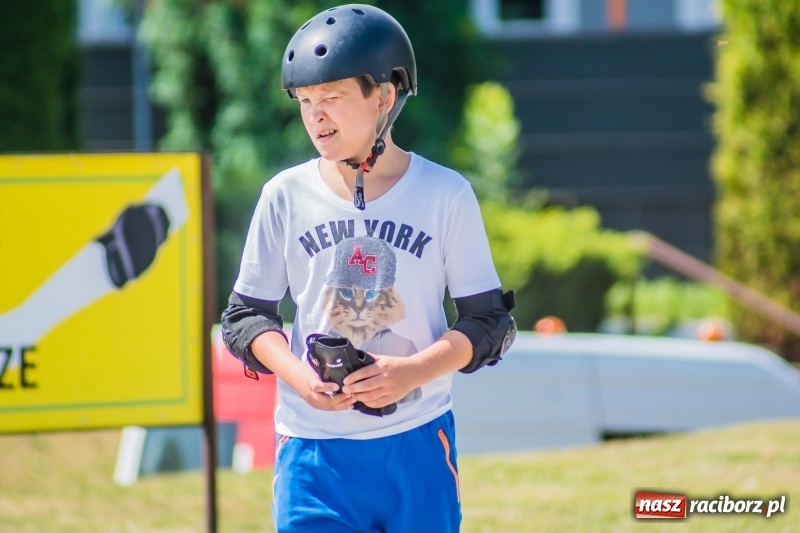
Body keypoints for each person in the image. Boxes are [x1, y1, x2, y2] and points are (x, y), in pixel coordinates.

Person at [220, 4, 516, 532]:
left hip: (417, 444)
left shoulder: (446, 194)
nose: (316, 115)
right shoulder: (283, 196)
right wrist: (300, 378)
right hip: (312, 454)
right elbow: (245, 318)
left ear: (383, 97)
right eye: (306, 101)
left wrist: (411, 373)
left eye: (331, 97)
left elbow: (489, 322)